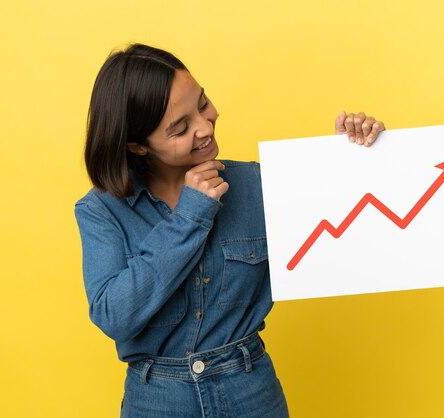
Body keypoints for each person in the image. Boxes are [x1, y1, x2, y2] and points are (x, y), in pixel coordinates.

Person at [74, 43, 385, 418]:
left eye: (203, 104)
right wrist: (190, 215)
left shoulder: (257, 184)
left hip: (251, 391)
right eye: (180, 128)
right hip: (157, 401)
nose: (205, 128)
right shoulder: (101, 211)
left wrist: (348, 159)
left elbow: (343, 235)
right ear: (138, 146)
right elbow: (114, 315)